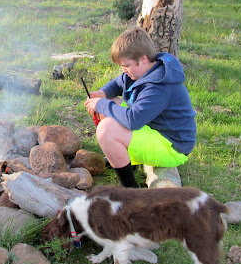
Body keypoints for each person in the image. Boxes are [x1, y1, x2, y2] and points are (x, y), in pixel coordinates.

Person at [84, 26, 196, 188]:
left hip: (172, 146)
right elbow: (118, 83)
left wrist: (102, 104)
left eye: (126, 65)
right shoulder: (141, 72)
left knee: (106, 129)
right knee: (113, 102)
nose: (123, 70)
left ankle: (130, 190)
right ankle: (126, 159)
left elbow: (133, 121)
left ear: (143, 59)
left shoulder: (158, 86)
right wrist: (102, 93)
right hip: (154, 131)